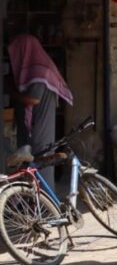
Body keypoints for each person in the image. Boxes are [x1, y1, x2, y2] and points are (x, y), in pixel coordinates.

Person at [7, 34, 74, 190]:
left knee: (40, 165)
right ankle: (38, 205)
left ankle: (45, 207)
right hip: (42, 124)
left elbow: (33, 100)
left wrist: (12, 93)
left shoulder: (39, 71)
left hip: (39, 127)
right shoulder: (43, 67)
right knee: (37, 166)